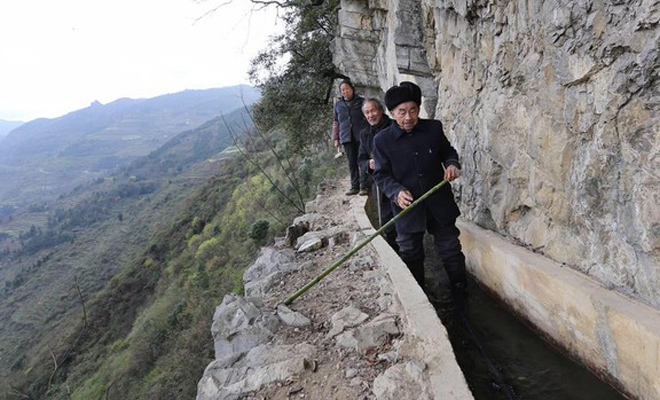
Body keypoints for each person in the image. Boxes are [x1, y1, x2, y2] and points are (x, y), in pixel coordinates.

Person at [373, 81, 467, 308]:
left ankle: (461, 291)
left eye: (413, 110)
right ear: (392, 113)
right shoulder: (382, 141)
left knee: (451, 249)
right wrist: (396, 192)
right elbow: (381, 175)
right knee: (411, 252)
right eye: (402, 112)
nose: (408, 117)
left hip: (439, 204)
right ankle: (421, 298)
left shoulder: (433, 128)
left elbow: (448, 152)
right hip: (407, 209)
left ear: (418, 109)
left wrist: (452, 164)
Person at [357, 98, 399, 252]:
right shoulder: (364, 134)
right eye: (367, 112)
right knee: (388, 224)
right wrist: (369, 163)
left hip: (399, 180)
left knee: (405, 222)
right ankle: (396, 255)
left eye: (373, 110)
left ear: (381, 110)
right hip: (380, 185)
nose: (371, 115)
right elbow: (360, 159)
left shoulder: (394, 126)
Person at [332, 79, 370, 196]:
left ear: (352, 89)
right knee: (351, 162)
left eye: (347, 89)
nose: (345, 92)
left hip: (361, 136)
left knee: (362, 160)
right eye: (342, 90)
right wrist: (336, 138)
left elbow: (368, 116)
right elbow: (336, 122)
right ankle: (355, 186)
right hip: (346, 137)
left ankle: (364, 186)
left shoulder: (361, 101)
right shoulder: (338, 105)